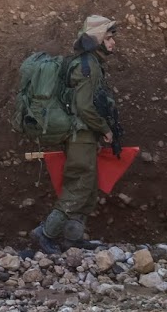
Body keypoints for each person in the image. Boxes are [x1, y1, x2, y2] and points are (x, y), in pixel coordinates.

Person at [31, 15, 118, 254]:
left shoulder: (89, 62)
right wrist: (105, 128)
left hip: (83, 134)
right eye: (109, 38)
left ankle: (72, 237)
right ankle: (45, 234)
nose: (113, 44)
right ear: (97, 39)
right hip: (81, 134)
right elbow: (84, 106)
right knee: (79, 186)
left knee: (88, 188)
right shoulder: (87, 66)